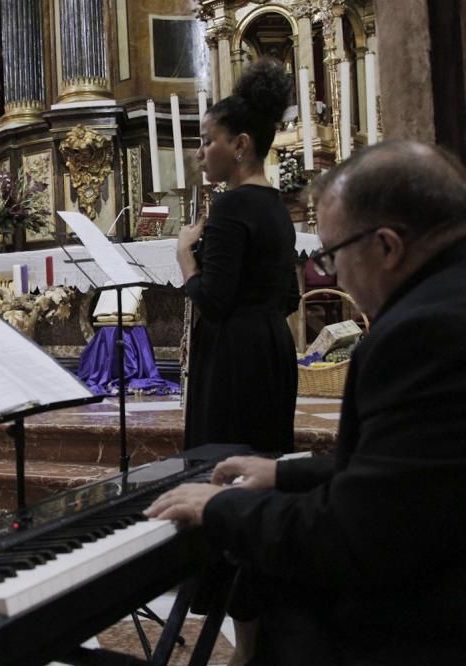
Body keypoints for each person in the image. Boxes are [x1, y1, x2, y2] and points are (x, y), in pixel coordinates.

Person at [146, 140, 466, 665]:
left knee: (276, 591)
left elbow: (358, 534)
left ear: (387, 246)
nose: (333, 274)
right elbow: (408, 475)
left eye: (332, 254)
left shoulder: (421, 333)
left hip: (432, 625)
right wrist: (287, 474)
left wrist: (226, 508)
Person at [180, 58, 299, 452]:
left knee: (224, 465)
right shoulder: (275, 205)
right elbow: (289, 297)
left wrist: (186, 260)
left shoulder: (232, 207)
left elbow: (214, 301)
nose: (200, 153)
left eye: (208, 140)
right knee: (265, 457)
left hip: (234, 358)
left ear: (240, 145)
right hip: (273, 348)